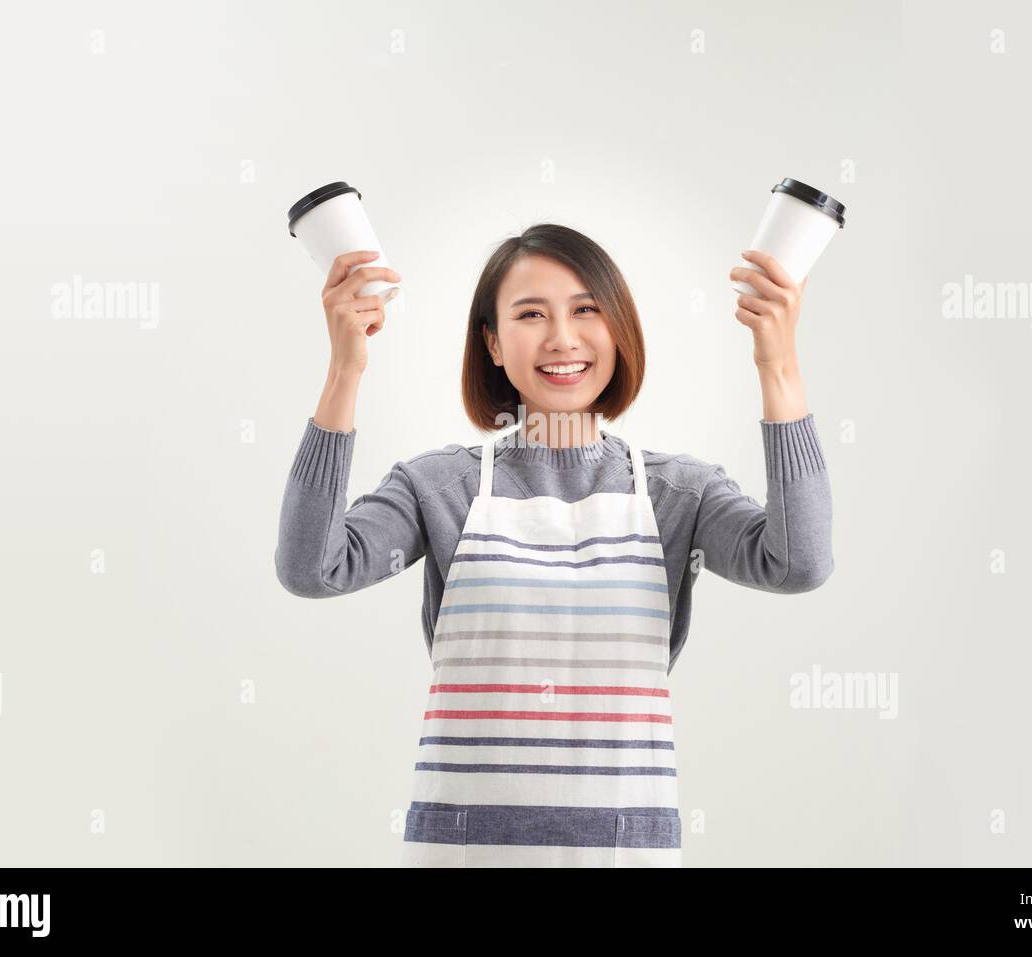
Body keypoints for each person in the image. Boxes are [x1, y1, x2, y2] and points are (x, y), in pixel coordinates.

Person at [275, 223, 834, 866]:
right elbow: (312, 568)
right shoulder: (439, 487)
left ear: (618, 330)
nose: (562, 338)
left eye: (586, 310)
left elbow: (799, 562)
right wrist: (345, 369)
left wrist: (779, 365)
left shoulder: (680, 493)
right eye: (531, 313)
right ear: (492, 342)